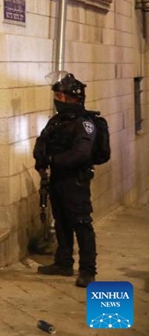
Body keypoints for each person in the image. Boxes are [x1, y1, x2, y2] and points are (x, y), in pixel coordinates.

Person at [33, 73, 98, 288]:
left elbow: (80, 153)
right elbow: (43, 140)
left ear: (73, 97)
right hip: (58, 179)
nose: (57, 99)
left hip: (75, 180)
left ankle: (88, 270)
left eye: (61, 95)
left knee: (81, 223)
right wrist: (41, 160)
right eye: (56, 95)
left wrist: (53, 159)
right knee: (61, 221)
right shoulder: (58, 121)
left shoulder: (84, 123)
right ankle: (63, 262)